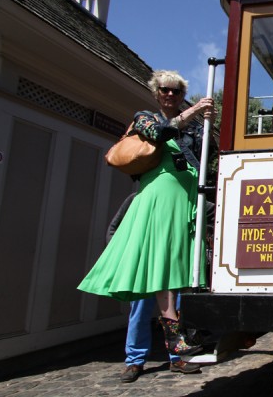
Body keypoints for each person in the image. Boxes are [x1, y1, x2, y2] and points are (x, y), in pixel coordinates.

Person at [78, 70, 215, 374]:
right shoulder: (144, 117)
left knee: (176, 278)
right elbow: (159, 133)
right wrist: (192, 111)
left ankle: (177, 356)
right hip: (161, 196)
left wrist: (208, 124)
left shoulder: (194, 127)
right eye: (165, 90)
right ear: (156, 93)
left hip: (187, 198)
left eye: (176, 91)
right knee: (147, 286)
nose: (170, 95)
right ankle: (135, 359)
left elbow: (210, 156)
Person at [106, 193, 200, 383]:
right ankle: (134, 361)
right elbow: (113, 229)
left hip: (170, 269)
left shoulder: (180, 198)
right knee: (139, 314)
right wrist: (121, 258)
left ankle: (177, 358)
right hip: (143, 268)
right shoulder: (136, 199)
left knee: (177, 313)